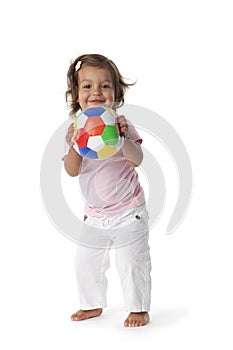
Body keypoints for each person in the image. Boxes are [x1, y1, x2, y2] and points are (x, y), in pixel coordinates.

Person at [63, 54, 151, 327]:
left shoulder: (121, 124)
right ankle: (91, 304)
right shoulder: (75, 129)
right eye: (87, 86)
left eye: (104, 86)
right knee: (85, 263)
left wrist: (123, 138)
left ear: (116, 92)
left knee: (131, 262)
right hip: (95, 214)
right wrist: (74, 146)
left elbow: (136, 159)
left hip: (129, 211)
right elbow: (72, 170)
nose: (96, 92)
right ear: (76, 94)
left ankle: (138, 308)